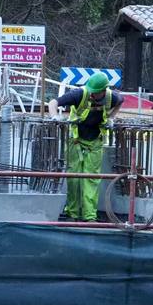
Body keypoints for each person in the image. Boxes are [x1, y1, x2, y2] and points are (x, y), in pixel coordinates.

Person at [57, 72, 123, 222]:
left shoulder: (111, 97)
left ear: (104, 90)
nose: (92, 95)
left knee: (91, 179)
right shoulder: (79, 94)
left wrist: (112, 118)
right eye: (91, 92)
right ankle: (72, 213)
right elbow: (54, 102)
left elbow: (121, 101)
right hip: (76, 141)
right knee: (73, 178)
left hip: (95, 142)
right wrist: (54, 116)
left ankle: (89, 216)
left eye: (95, 93)